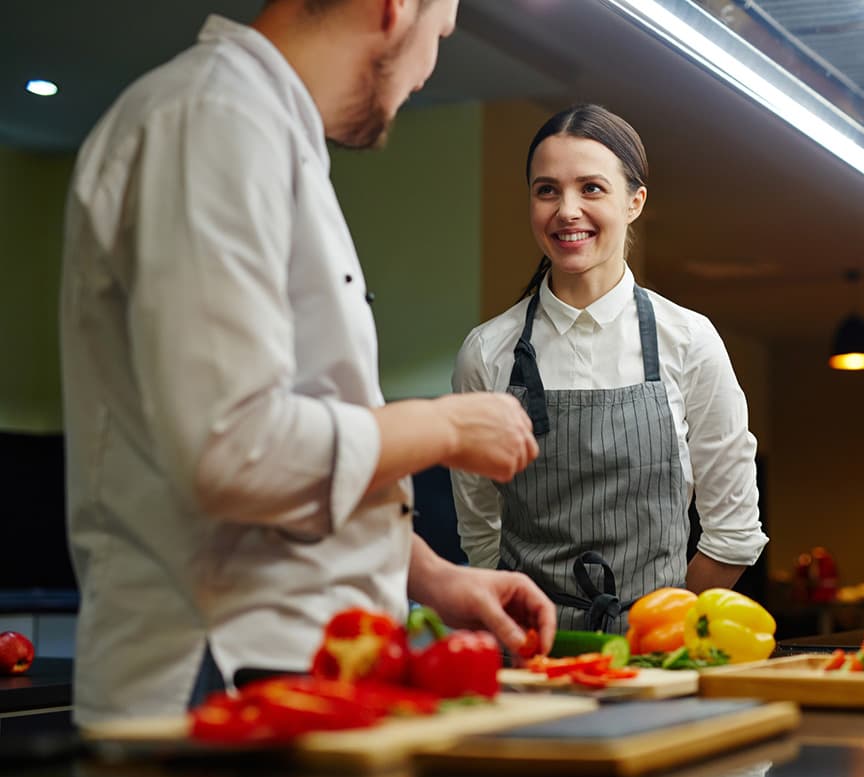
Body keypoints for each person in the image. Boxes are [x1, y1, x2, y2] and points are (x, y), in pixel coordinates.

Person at [59, 0, 553, 725]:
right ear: (393, 8)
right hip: (217, 671)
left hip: (285, 661)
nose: (427, 69)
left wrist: (435, 576)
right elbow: (233, 449)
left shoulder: (262, 129)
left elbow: (295, 460)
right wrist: (443, 426)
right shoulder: (214, 119)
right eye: (439, 35)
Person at [451, 104, 767, 633]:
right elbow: (481, 531)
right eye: (546, 190)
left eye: (591, 188)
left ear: (635, 202)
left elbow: (734, 533)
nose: (566, 210)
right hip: (527, 658)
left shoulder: (689, 342)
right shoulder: (487, 353)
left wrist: (660, 629)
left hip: (656, 660)